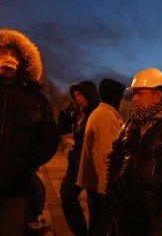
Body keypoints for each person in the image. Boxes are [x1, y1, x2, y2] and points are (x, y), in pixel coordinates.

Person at [106, 68, 162, 235]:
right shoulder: (130, 123)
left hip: (156, 216)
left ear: (158, 95)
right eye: (133, 94)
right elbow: (115, 155)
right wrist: (114, 188)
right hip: (125, 210)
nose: (134, 99)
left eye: (140, 93)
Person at [0, 29, 60, 234]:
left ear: (23, 61)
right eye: (3, 52)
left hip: (17, 189)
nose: (8, 58)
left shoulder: (35, 98)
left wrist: (28, 163)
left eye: (14, 54)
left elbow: (50, 137)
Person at [76, 78, 125, 235]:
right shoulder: (106, 117)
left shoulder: (102, 113)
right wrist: (108, 188)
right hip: (101, 184)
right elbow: (106, 155)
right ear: (114, 97)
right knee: (103, 224)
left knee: (97, 221)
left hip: (95, 182)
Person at [58, 80, 99, 235]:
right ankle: (81, 232)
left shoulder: (96, 113)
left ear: (89, 94)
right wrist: (66, 111)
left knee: (94, 203)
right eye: (75, 95)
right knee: (66, 196)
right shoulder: (79, 113)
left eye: (80, 95)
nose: (76, 98)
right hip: (75, 163)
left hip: (90, 164)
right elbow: (62, 128)